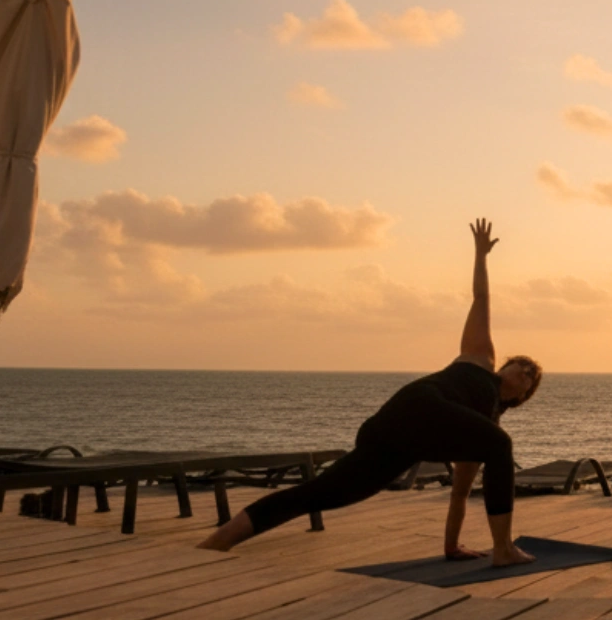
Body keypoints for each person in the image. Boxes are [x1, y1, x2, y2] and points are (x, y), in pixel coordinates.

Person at [199, 219, 544, 562]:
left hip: (399, 440)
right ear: (503, 366)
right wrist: (481, 254)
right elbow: (482, 298)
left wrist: (451, 547)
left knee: (327, 494)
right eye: (521, 364)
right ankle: (504, 549)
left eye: (530, 377)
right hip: (416, 405)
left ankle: (219, 541)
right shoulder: (480, 360)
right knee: (501, 446)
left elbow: (459, 494)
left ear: (519, 398)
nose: (523, 371)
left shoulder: (482, 432)